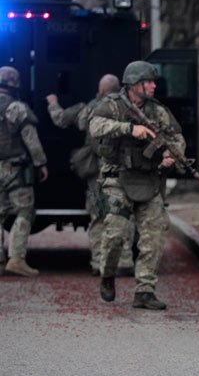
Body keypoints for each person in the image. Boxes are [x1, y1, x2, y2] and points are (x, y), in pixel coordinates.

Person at [89, 61, 185, 310]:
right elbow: (95, 126)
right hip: (117, 179)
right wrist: (130, 129)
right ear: (133, 84)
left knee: (154, 235)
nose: (153, 86)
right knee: (116, 232)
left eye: (153, 82)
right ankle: (107, 274)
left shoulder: (158, 111)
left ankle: (145, 290)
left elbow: (176, 137)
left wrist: (171, 155)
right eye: (148, 82)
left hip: (149, 179)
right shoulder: (112, 105)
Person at [46, 74, 135, 277]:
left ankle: (99, 262)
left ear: (101, 89)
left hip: (97, 173)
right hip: (124, 171)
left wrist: (53, 103)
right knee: (123, 214)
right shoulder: (129, 109)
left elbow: (61, 119)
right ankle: (125, 260)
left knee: (99, 216)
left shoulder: (91, 107)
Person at [0, 66, 48, 276]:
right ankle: (16, 259)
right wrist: (40, 163)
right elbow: (31, 139)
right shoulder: (17, 108)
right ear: (15, 84)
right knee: (25, 210)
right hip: (15, 169)